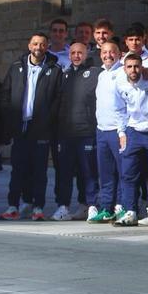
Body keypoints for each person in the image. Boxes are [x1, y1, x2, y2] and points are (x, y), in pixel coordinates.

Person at [0, 33, 62, 221]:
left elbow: (58, 98)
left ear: (47, 46)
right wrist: (10, 118)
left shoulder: (54, 69)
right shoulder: (16, 67)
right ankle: (13, 206)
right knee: (18, 169)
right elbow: (5, 94)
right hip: (20, 126)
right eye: (35, 43)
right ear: (29, 45)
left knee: (39, 170)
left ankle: (38, 207)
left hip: (41, 128)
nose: (38, 47)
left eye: (42, 44)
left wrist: (48, 120)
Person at [112, 53, 148, 227]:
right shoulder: (120, 84)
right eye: (129, 67)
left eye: (137, 66)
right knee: (128, 174)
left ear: (142, 67)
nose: (133, 70)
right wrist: (122, 133)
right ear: (124, 68)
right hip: (133, 132)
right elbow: (120, 110)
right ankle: (131, 211)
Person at [52, 42, 101, 221]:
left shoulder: (95, 73)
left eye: (80, 52)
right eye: (73, 53)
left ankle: (90, 205)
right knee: (64, 172)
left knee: (88, 172)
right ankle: (63, 206)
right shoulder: (64, 75)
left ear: (86, 54)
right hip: (66, 133)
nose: (76, 56)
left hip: (87, 131)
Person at [89, 41, 126, 223]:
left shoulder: (123, 73)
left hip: (117, 130)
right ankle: (106, 207)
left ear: (119, 54)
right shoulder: (102, 75)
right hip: (102, 130)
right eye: (104, 52)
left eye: (112, 52)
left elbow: (125, 104)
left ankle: (121, 206)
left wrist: (122, 131)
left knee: (122, 171)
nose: (108, 55)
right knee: (105, 173)